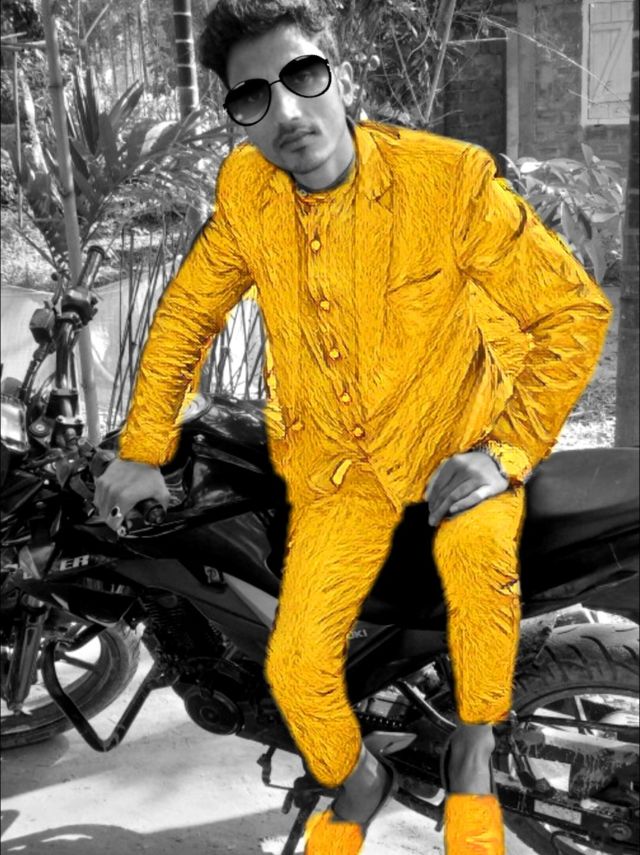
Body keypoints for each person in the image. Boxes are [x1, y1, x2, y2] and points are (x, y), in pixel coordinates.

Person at [93, 2, 613, 852]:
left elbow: (573, 312)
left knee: (477, 564)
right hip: (340, 471)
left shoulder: (445, 179)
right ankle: (359, 777)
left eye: (302, 76)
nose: (287, 111)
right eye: (253, 96)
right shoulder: (248, 192)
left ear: (343, 76)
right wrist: (144, 449)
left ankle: (474, 753)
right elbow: (188, 314)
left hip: (456, 441)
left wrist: (504, 449)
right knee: (297, 665)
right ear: (236, 116)